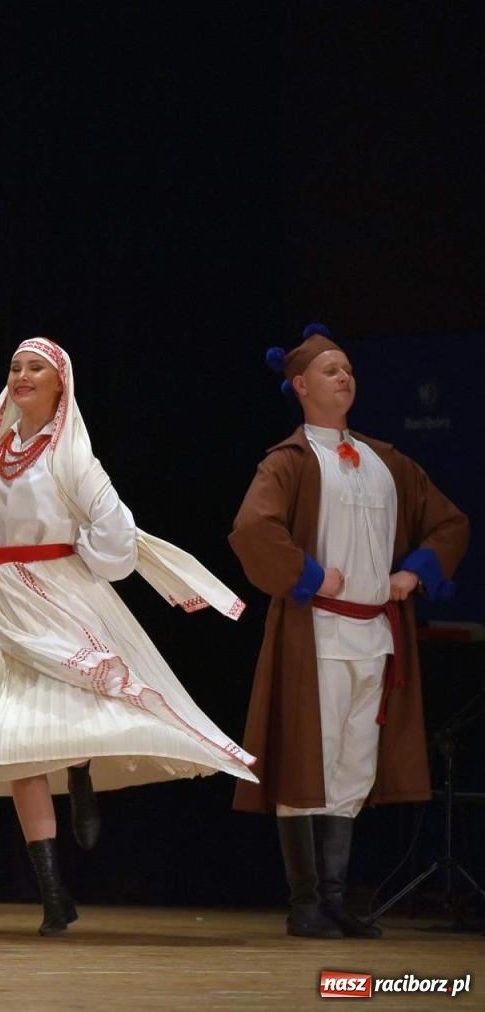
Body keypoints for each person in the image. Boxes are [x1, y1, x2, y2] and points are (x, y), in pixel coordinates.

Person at [0, 336, 256, 935]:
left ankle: (77, 766)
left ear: (60, 385)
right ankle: (54, 895)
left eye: (36, 368)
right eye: (15, 366)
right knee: (18, 743)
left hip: (53, 594)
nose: (22, 375)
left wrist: (78, 559)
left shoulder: (73, 456)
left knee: (68, 717)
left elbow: (114, 534)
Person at [231, 325, 468, 939]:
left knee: (352, 767)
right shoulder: (290, 461)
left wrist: (413, 574)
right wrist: (311, 575)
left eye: (349, 369)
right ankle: (306, 901)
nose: (346, 377)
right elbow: (254, 529)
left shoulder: (388, 461)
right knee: (309, 762)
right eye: (331, 369)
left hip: (376, 638)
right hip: (318, 635)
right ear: (301, 385)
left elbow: (449, 523)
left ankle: (335, 898)